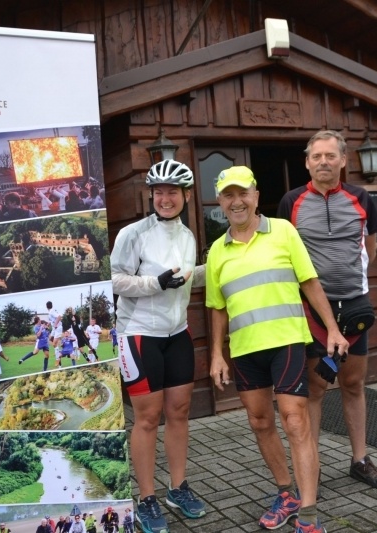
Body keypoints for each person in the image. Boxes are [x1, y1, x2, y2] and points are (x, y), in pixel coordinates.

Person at [206, 166, 349, 533]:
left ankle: (309, 516)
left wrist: (332, 328)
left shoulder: (283, 231)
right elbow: (217, 308)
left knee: (295, 421)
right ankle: (286, 493)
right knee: (259, 421)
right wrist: (217, 354)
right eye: (228, 195)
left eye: (243, 193)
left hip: (286, 342)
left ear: (255, 196)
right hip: (244, 350)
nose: (236, 202)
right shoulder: (217, 252)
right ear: (220, 202)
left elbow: (310, 283)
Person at [277, 130, 377, 490]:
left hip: (355, 303)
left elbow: (370, 248)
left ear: (343, 160)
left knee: (353, 383)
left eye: (331, 156)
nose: (323, 162)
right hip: (311, 310)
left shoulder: (361, 198)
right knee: (315, 387)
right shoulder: (290, 202)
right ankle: (312, 464)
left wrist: (348, 277)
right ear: (307, 162)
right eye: (317, 156)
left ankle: (359, 459)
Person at [111, 159, 206, 533]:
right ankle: (146, 497)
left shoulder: (187, 236)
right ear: (151, 194)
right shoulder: (133, 233)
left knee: (180, 413)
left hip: (177, 333)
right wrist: (154, 283)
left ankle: (177, 487)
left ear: (185, 195)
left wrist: (215, 269)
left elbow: (184, 280)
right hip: (138, 334)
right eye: (159, 192)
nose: (165, 198)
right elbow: (115, 280)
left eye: (173, 192)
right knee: (148, 418)